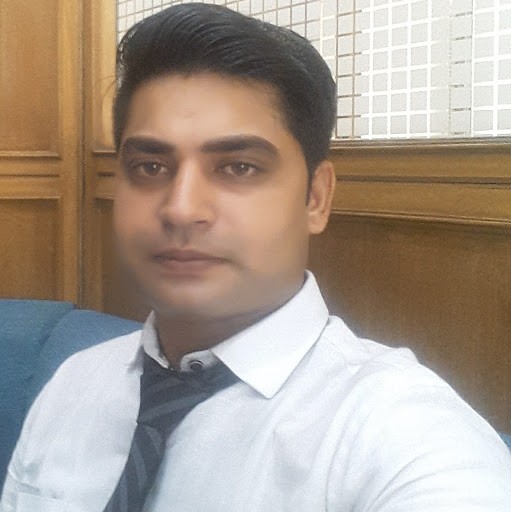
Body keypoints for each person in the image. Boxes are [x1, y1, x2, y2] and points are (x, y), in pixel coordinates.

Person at [1, 3, 510, 511]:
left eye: (239, 167)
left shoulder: (398, 434)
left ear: (316, 198)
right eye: (150, 167)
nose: (181, 209)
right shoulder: (75, 382)